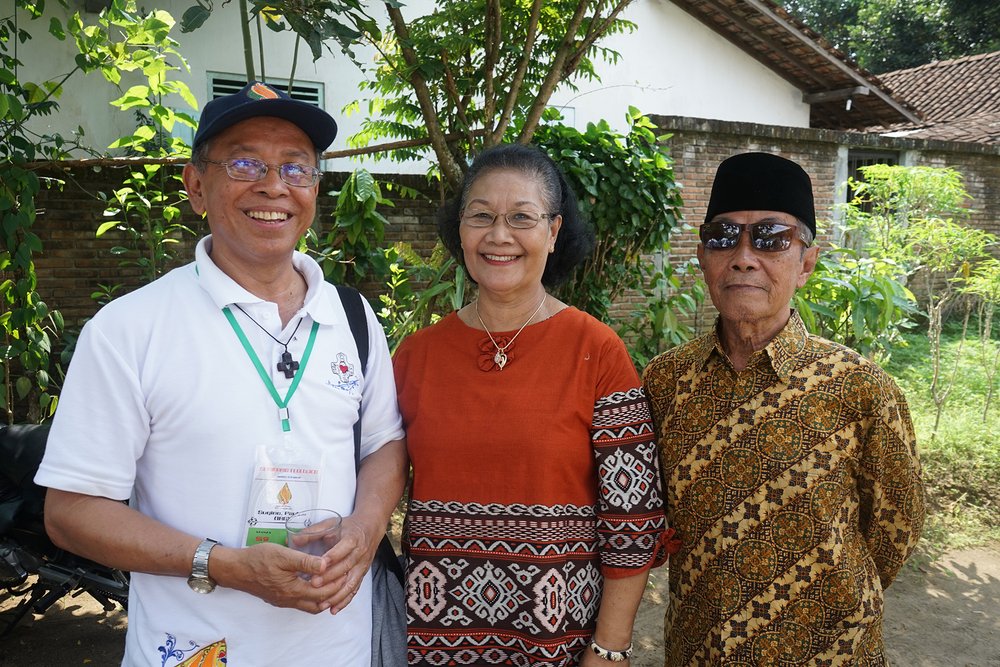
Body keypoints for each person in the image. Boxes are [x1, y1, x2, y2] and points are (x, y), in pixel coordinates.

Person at [35, 81, 407, 665]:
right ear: (196, 186)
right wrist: (224, 564)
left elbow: (383, 443)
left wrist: (365, 526)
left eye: (296, 167)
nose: (274, 185)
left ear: (314, 188)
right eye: (244, 163)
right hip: (194, 650)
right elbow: (71, 512)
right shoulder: (130, 328)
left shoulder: (352, 317)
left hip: (341, 648)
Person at [642, 152, 925, 666]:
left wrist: (823, 596)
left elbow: (896, 527)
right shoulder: (665, 381)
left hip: (830, 653)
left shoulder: (859, 387)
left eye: (771, 238)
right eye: (723, 237)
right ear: (703, 257)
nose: (744, 258)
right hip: (699, 650)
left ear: (806, 263)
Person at [393, 143, 668, 666]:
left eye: (522, 217)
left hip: (557, 646)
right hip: (433, 647)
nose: (499, 236)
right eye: (481, 216)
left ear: (554, 230)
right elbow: (374, 477)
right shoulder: (416, 355)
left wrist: (609, 649)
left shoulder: (597, 350)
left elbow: (631, 520)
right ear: (460, 229)